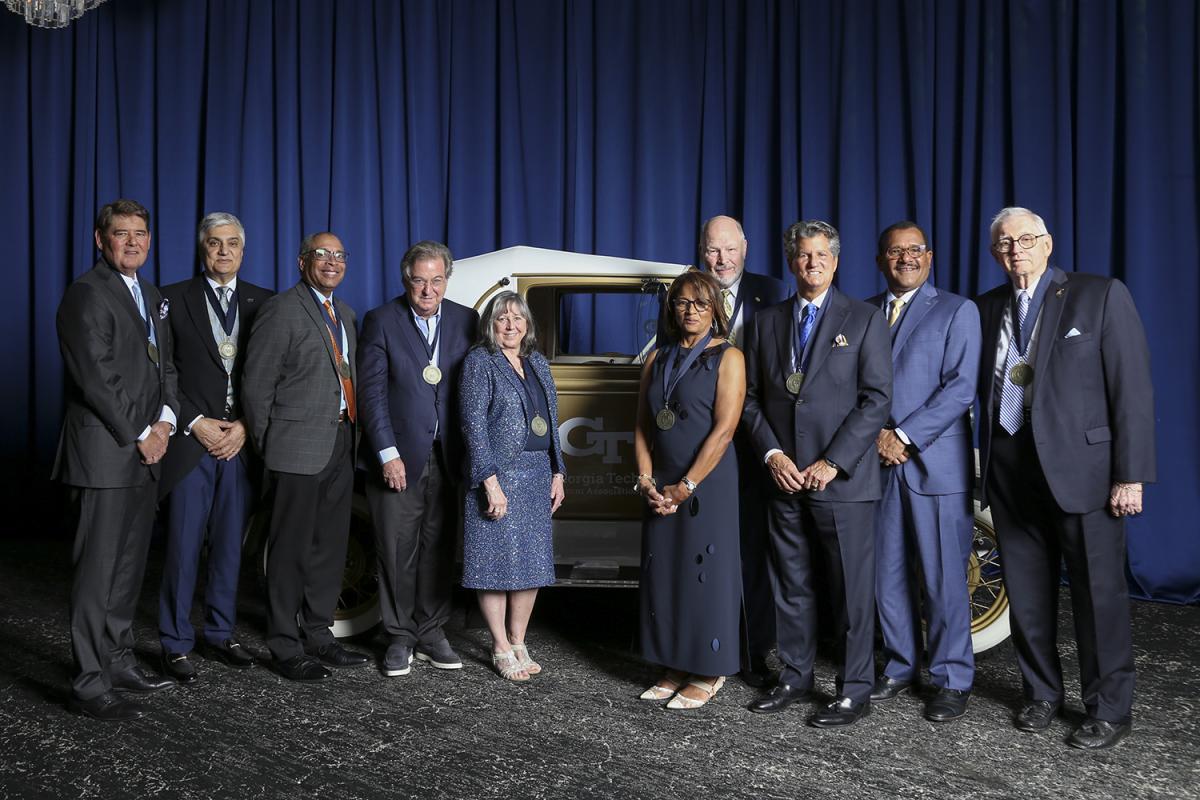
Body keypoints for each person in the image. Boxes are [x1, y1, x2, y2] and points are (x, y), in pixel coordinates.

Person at [976, 207, 1155, 750]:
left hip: (1087, 474)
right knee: (1027, 594)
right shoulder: (986, 309)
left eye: (1026, 239)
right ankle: (1041, 695)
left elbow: (1133, 389)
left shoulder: (1098, 295)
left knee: (1097, 595)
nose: (1016, 250)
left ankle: (1107, 709)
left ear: (1048, 244)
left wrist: (1131, 476)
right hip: (1010, 470)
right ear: (995, 253)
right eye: (1005, 243)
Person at [741, 219, 892, 727]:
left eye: (821, 256)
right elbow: (752, 400)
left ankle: (854, 689)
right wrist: (773, 456)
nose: (812, 264)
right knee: (791, 583)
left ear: (836, 260)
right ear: (791, 261)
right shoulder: (766, 322)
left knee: (850, 590)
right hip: (783, 478)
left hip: (842, 481)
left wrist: (831, 461)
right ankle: (795, 674)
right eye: (803, 256)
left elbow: (876, 400)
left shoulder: (866, 319)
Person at [54, 199, 180, 720]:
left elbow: (166, 368)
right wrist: (140, 433)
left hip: (147, 451)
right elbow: (97, 378)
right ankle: (87, 682)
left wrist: (168, 422)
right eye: (121, 234)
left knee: (128, 567)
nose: (133, 242)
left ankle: (119, 659)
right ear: (100, 240)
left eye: (141, 233)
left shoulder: (149, 294)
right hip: (107, 453)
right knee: (97, 571)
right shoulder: (86, 294)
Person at [242, 232, 370, 681]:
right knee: (289, 550)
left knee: (330, 547)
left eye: (339, 255)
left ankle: (319, 634)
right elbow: (255, 389)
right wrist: (270, 448)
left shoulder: (347, 315)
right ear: (302, 262)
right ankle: (283, 643)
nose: (332, 262)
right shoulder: (281, 310)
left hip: (341, 441)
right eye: (322, 255)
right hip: (293, 451)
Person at [867, 222, 981, 721]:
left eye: (915, 250)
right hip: (874, 463)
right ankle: (898, 664)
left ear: (929, 258)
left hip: (933, 464)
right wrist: (873, 437)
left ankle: (951, 677)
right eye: (896, 251)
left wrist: (904, 437)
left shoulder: (957, 310)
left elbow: (960, 388)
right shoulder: (864, 312)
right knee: (884, 573)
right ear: (881, 260)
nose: (906, 258)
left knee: (943, 578)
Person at [157, 212, 273, 684]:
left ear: (243, 251)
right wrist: (195, 421)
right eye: (213, 243)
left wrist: (247, 425)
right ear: (201, 249)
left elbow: (270, 376)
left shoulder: (265, 302)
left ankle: (220, 633)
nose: (223, 251)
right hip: (192, 442)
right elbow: (160, 371)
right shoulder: (170, 299)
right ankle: (175, 642)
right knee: (184, 545)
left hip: (241, 444)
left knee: (230, 544)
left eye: (231, 244)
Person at [357, 241, 479, 677]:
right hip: (398, 457)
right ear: (405, 279)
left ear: (447, 280)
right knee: (395, 548)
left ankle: (430, 632)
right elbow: (371, 395)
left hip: (448, 456)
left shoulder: (467, 320)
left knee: (439, 547)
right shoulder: (381, 321)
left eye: (436, 280)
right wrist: (387, 453)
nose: (428, 289)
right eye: (419, 280)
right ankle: (398, 636)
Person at [634, 270, 746, 709]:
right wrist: (646, 480)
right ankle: (675, 664)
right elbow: (642, 425)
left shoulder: (729, 357)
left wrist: (686, 486)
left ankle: (708, 669)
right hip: (660, 485)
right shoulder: (655, 358)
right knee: (668, 573)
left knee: (706, 575)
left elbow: (724, 431)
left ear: (715, 307)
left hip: (707, 483)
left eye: (700, 303)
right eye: (682, 302)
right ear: (672, 308)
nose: (691, 311)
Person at [696, 215, 790, 687]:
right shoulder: (684, 291)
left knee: (756, 549)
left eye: (730, 249)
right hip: (701, 440)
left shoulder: (774, 293)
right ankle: (702, 644)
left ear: (746, 248)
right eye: (713, 250)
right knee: (706, 548)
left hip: (761, 442)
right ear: (701, 250)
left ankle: (755, 652)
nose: (722, 260)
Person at [459, 291, 566, 681]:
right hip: (499, 475)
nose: (510, 325)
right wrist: (489, 482)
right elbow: (473, 425)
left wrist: (559, 472)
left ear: (527, 325)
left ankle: (519, 640)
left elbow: (552, 421)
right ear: (492, 324)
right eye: (502, 318)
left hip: (538, 473)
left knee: (531, 563)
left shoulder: (537, 361)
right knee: (493, 563)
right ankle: (500, 645)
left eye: (517, 318)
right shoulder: (479, 362)